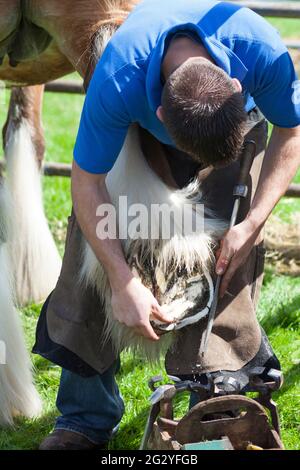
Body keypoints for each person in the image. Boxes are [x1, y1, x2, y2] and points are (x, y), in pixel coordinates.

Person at [34, 0, 300, 450]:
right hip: (142, 127)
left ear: (237, 83)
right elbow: (87, 183)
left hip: (234, 126)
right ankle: (85, 417)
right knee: (93, 249)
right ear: (160, 116)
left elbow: (291, 132)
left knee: (225, 257)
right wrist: (121, 281)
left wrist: (252, 224)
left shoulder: (258, 50)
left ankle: (214, 399)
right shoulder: (119, 77)